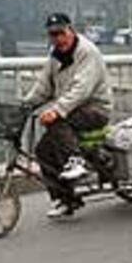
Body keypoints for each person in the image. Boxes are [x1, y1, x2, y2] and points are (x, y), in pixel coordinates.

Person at [23, 13, 113, 218]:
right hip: (72, 109)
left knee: (58, 121)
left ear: (71, 30)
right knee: (43, 150)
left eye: (61, 33)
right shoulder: (54, 55)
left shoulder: (87, 52)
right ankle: (64, 199)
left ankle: (76, 161)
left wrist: (57, 110)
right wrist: (26, 104)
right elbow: (43, 86)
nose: (57, 39)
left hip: (95, 109)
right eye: (52, 35)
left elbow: (82, 89)